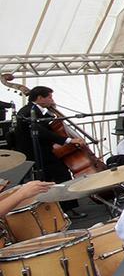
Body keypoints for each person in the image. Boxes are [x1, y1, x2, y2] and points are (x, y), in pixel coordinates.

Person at [12, 86, 86, 218]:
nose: (52, 100)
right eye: (49, 97)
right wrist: (68, 140)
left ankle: (63, 209)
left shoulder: (36, 110)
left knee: (57, 178)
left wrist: (52, 112)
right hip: (37, 153)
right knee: (61, 176)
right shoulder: (29, 111)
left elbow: (48, 124)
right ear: (40, 98)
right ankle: (66, 209)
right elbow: (42, 132)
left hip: (44, 151)